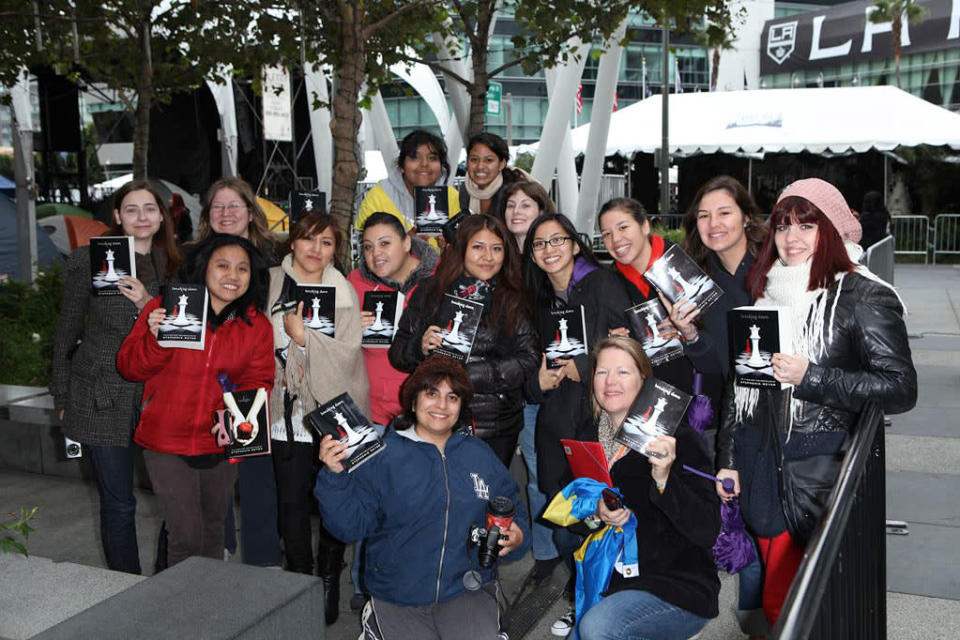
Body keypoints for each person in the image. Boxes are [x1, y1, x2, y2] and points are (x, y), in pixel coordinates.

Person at [716, 178, 917, 625]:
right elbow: (740, 384)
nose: (791, 239)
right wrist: (729, 459)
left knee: (807, 609)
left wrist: (813, 378)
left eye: (806, 226)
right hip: (763, 463)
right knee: (777, 604)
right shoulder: (767, 291)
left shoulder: (863, 295)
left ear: (832, 230)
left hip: (820, 472)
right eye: (783, 226)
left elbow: (901, 387)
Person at [314, 356, 529, 640]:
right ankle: (375, 622)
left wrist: (518, 535)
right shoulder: (383, 456)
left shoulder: (479, 455)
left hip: (465, 590)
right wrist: (335, 476)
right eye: (431, 394)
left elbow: (514, 507)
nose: (441, 405)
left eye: (452, 397)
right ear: (413, 402)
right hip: (399, 594)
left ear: (461, 405)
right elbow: (349, 526)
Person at [117, 234, 274, 567]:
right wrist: (156, 340)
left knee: (213, 531)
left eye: (242, 269)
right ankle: (180, 613)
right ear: (204, 267)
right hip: (166, 440)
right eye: (223, 266)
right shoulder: (165, 308)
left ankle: (209, 610)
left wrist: (241, 416)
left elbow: (260, 379)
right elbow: (130, 367)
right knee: (185, 535)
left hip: (220, 441)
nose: (233, 276)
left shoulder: (256, 325)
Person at [51, 179, 182, 575]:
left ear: (162, 216)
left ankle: (166, 573)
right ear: (116, 216)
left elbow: (183, 335)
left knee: (173, 498)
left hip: (160, 395)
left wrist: (147, 302)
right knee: (118, 501)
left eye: (149, 209)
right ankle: (124, 587)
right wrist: (61, 396)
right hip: (100, 396)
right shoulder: (88, 261)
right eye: (131, 209)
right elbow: (65, 333)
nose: (141, 217)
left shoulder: (179, 265)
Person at [522, 213, 633, 636]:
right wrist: (540, 379)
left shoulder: (602, 284)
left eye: (557, 240)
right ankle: (582, 593)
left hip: (595, 423)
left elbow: (632, 345)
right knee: (568, 518)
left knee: (601, 515)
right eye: (539, 244)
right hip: (554, 427)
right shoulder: (540, 298)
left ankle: (602, 604)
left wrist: (583, 366)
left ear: (574, 243)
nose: (549, 250)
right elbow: (531, 368)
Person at [573, 337, 720, 640]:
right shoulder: (587, 438)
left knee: (596, 629)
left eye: (623, 372)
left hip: (674, 583)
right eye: (602, 372)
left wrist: (665, 478)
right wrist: (596, 514)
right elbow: (574, 519)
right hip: (612, 578)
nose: (610, 381)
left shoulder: (678, 440)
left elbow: (707, 530)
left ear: (644, 379)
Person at [267, 210, 369, 624]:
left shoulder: (344, 291)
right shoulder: (271, 282)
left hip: (334, 410)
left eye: (326, 242)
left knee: (332, 499)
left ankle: (328, 576)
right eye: (309, 239)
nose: (316, 249)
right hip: (285, 411)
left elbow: (348, 353)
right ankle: (300, 581)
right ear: (293, 242)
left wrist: (304, 336)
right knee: (291, 503)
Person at [389, 214, 539, 468]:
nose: (488, 257)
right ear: (461, 249)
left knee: (486, 500)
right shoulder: (430, 291)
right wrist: (419, 346)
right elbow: (398, 353)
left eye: (496, 249)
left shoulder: (513, 296)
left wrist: (467, 376)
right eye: (478, 247)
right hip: (435, 418)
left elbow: (529, 358)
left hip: (494, 425)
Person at [347, 211, 440, 428]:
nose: (376, 254)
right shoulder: (354, 282)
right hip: (371, 413)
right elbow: (333, 344)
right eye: (368, 247)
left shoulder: (439, 279)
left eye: (385, 243)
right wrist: (347, 328)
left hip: (428, 415)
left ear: (407, 243)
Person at [597, 197, 694, 394]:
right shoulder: (608, 282)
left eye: (623, 227)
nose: (615, 240)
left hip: (693, 385)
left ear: (644, 226)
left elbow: (713, 326)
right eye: (607, 234)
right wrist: (609, 338)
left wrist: (688, 332)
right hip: (641, 394)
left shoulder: (681, 263)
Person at [355, 129, 462, 234]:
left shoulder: (452, 197)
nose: (424, 164)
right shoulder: (378, 196)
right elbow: (367, 245)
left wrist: (450, 247)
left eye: (432, 158)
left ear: (441, 166)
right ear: (402, 166)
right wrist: (407, 243)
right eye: (415, 157)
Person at [194, 176, 277, 262]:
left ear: (251, 214)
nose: (225, 213)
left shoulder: (275, 258)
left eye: (234, 206)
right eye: (218, 206)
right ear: (208, 213)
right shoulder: (191, 258)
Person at [458, 132, 529, 215]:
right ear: (467, 162)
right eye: (474, 159)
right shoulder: (466, 189)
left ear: (502, 164)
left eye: (489, 160)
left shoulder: (516, 191)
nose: (480, 166)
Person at [496, 180, 556, 251]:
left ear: (541, 212)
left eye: (525, 206)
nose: (516, 211)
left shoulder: (552, 253)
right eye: (511, 206)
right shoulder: (497, 254)